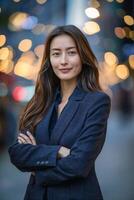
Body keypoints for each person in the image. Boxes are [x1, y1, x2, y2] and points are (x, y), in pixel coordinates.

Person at [8, 25, 111, 200]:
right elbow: (17, 152)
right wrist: (58, 151)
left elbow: (79, 164)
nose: (63, 61)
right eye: (56, 54)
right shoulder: (40, 100)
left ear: (83, 56)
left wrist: (38, 171)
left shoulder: (97, 102)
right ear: (49, 59)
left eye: (71, 52)